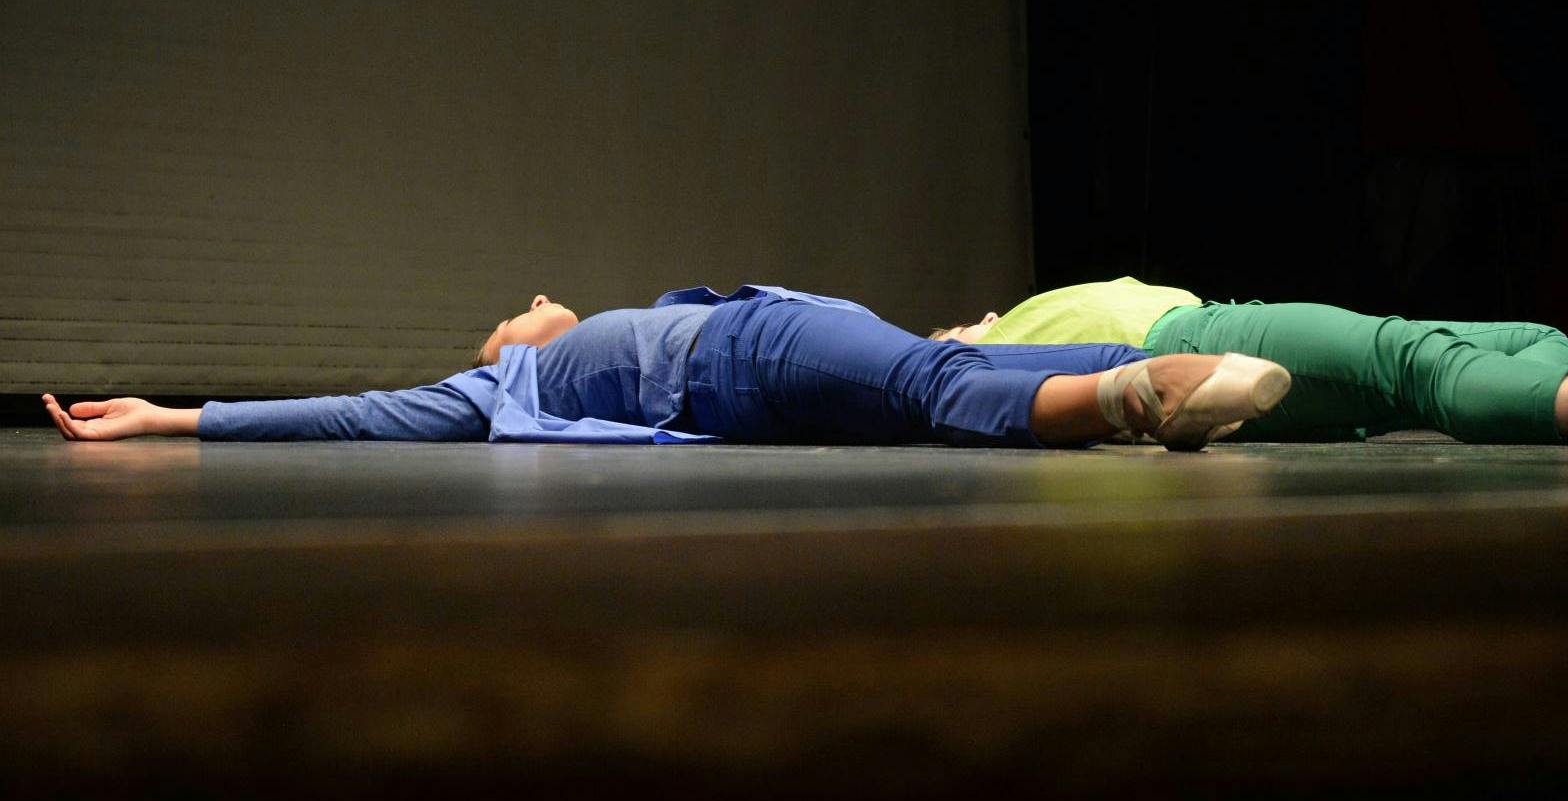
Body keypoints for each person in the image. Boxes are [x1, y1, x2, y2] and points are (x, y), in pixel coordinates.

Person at [40, 284, 1291, 453]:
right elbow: (345, 414)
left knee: (947, 368)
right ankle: (1132, 402)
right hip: (737, 356)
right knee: (928, 386)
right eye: (515, 311)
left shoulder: (603, 330)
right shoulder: (497, 386)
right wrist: (171, 417)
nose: (536, 302)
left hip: (761, 357)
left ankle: (1180, 377)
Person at [931, 277, 1568, 446]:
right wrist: (965, 350)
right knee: (1409, 360)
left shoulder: (1019, 319)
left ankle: (1551, 392)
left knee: (1534, 340)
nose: (955, 327)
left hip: (1220, 329)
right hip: (1196, 343)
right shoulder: (1004, 360)